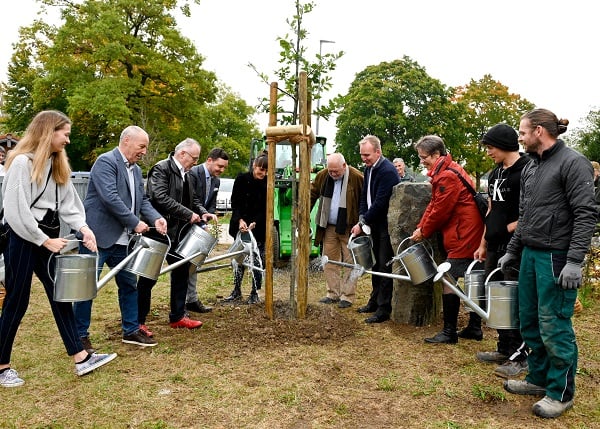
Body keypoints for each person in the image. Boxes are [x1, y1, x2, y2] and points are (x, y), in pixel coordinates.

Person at [0, 110, 116, 388]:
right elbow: (16, 212)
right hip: (22, 238)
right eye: (64, 133)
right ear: (48, 132)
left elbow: (68, 204)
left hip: (46, 238)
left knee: (60, 296)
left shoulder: (57, 164)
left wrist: (84, 229)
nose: (67, 139)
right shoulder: (21, 164)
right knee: (17, 300)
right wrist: (43, 240)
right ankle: (2, 365)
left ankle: (80, 357)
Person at [498, 109, 597, 418]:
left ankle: (560, 392)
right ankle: (538, 378)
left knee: (554, 324)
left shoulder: (573, 163)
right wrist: (513, 249)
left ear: (539, 131)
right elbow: (526, 214)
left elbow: (585, 213)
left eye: (523, 132)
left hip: (556, 257)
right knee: (529, 321)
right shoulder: (532, 167)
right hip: (530, 253)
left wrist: (573, 261)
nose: (520, 137)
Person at [73, 126, 167, 351]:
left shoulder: (135, 170)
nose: (144, 152)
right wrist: (135, 222)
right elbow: (110, 198)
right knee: (87, 288)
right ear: (126, 141)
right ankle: (79, 336)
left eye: (146, 147)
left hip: (123, 241)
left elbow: (143, 200)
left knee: (129, 285)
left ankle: (131, 330)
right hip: (97, 236)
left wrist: (156, 218)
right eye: (141, 146)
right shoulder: (106, 162)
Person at [468, 123, 530, 378]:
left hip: (515, 246)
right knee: (496, 297)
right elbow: (491, 209)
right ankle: (504, 347)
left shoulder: (525, 170)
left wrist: (508, 229)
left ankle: (520, 356)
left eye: (491, 147)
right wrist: (483, 243)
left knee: (515, 301)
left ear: (505, 145)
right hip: (493, 246)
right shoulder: (495, 173)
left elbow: (529, 212)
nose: (488, 152)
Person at [409, 135, 484, 343]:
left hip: (464, 233)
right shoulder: (448, 170)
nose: (422, 161)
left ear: (436, 154)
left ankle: (449, 332)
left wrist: (423, 231)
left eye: (424, 157)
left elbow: (441, 210)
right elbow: (434, 203)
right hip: (468, 230)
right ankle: (474, 327)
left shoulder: (446, 177)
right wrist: (421, 227)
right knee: (473, 277)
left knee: (447, 277)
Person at [137, 138, 217, 330]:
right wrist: (187, 213)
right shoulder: (161, 169)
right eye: (194, 158)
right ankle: (138, 321)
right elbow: (159, 197)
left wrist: (201, 211)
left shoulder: (187, 174)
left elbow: (194, 199)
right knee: (148, 278)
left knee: (181, 272)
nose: (195, 163)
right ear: (182, 154)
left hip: (179, 233)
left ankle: (178, 316)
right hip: (158, 230)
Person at [351, 135, 400, 323]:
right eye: (362, 155)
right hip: (373, 224)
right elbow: (365, 197)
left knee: (383, 265)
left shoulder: (387, 171)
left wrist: (363, 223)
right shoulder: (369, 168)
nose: (364, 158)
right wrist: (362, 218)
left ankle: (383, 308)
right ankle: (374, 301)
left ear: (378, 152)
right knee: (374, 264)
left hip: (386, 225)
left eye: (367, 155)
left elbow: (380, 202)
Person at [310, 153, 364, 308]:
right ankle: (332, 293)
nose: (333, 174)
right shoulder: (323, 176)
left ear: (344, 166)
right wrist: (304, 212)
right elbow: (312, 193)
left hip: (349, 227)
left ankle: (347, 296)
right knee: (329, 261)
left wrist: (361, 223)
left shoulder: (356, 177)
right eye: (330, 170)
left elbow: (363, 201)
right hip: (329, 226)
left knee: (349, 262)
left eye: (336, 171)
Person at [185, 148, 229, 314]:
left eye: (224, 167)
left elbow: (211, 203)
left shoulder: (216, 181)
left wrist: (208, 218)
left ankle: (192, 299)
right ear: (209, 160)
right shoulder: (193, 173)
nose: (221, 170)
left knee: (194, 263)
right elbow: (191, 199)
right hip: (187, 223)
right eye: (219, 166)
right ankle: (181, 302)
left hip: (200, 223)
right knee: (184, 265)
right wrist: (202, 216)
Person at [224, 151, 268, 304]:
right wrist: (239, 220)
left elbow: (265, 208)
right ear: (254, 166)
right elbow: (235, 201)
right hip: (241, 224)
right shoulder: (242, 179)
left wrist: (255, 222)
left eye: (266, 171)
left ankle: (255, 292)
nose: (263, 173)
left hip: (259, 226)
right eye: (261, 169)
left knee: (258, 260)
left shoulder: (268, 184)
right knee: (238, 258)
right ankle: (236, 290)